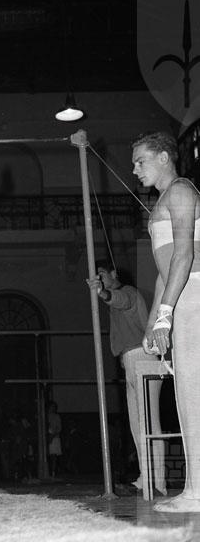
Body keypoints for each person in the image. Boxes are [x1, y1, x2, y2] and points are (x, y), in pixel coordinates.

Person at [133, 131, 200, 513]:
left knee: (194, 395)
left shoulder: (181, 191)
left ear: (163, 157)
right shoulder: (160, 203)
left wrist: (166, 314)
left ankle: (197, 492)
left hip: (194, 295)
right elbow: (164, 271)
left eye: (140, 160)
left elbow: (184, 256)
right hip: (180, 298)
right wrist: (152, 325)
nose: (135, 169)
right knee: (186, 396)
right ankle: (194, 488)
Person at [88, 260, 166, 495]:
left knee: (148, 421)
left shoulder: (128, 292)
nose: (100, 280)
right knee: (137, 424)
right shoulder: (118, 299)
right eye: (96, 278)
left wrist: (102, 293)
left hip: (142, 356)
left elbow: (121, 300)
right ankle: (146, 478)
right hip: (131, 359)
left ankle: (158, 483)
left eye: (102, 275)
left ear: (113, 273)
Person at [47, 401, 62, 479]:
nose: (52, 408)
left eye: (54, 407)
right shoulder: (45, 415)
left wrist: (52, 436)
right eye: (51, 407)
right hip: (46, 437)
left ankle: (53, 472)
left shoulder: (56, 416)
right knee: (48, 455)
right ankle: (48, 471)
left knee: (53, 455)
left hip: (54, 437)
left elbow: (59, 428)